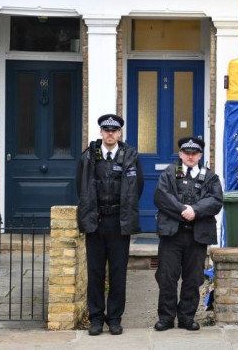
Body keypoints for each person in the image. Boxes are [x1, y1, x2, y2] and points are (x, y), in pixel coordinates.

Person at [76, 113, 143, 336]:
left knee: (117, 273)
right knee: (94, 272)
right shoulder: (88, 157)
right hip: (96, 221)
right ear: (101, 132)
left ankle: (114, 319)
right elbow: (81, 186)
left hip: (118, 222)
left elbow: (138, 187)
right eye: (107, 130)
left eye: (114, 131)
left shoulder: (130, 156)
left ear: (120, 133)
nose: (110, 134)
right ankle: (96, 319)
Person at [153, 136, 223, 331]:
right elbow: (161, 196)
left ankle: (186, 317)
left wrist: (196, 210)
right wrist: (183, 210)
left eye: (194, 153)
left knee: (193, 278)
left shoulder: (210, 177)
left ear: (200, 155)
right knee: (167, 277)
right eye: (187, 153)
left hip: (197, 236)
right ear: (181, 154)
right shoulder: (168, 173)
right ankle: (166, 318)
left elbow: (216, 200)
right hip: (171, 235)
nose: (190, 156)